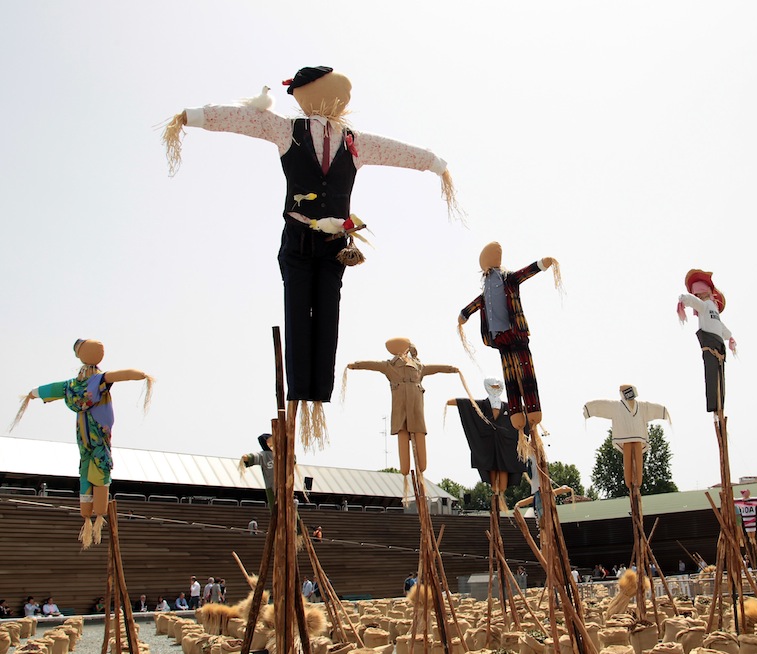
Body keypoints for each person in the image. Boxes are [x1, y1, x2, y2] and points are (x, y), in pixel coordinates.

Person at [165, 66, 455, 445]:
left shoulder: (354, 142)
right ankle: (300, 393)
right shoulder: (287, 130)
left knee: (329, 314)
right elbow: (243, 120)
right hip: (299, 237)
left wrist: (433, 163)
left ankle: (319, 395)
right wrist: (193, 117)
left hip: (336, 245)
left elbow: (396, 151)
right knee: (298, 312)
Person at [13, 339, 152, 548]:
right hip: (99, 439)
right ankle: (98, 515)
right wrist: (141, 375)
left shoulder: (71, 386)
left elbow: (51, 389)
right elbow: (121, 375)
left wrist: (32, 393)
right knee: (101, 469)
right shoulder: (99, 381)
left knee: (86, 471)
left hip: (84, 441)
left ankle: (89, 516)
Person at [458, 242, 560, 432]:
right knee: (510, 376)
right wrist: (465, 313)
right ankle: (516, 415)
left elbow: (524, 273)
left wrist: (541, 264)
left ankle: (533, 410)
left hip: (515, 332)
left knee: (525, 371)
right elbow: (478, 302)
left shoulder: (507, 279)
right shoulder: (487, 290)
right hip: (500, 339)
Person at [347, 338, 459, 488]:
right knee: (402, 433)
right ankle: (405, 470)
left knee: (419, 432)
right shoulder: (389, 366)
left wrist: (451, 369)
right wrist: (356, 365)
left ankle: (421, 468)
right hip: (400, 406)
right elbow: (372, 365)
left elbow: (436, 368)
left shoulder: (418, 366)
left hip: (416, 407)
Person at [448, 377, 524, 508]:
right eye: (492, 387)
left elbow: (522, 414)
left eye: (497, 387)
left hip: (505, 447)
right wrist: (456, 403)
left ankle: (500, 497)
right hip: (489, 447)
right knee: (492, 473)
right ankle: (496, 496)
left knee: (504, 474)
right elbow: (466, 404)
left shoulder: (509, 408)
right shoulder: (482, 406)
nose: (495, 389)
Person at [584, 384, 671, 492]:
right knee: (628, 460)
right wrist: (589, 408)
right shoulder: (617, 406)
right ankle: (629, 483)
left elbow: (652, 408)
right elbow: (603, 405)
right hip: (624, 438)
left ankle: (637, 483)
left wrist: (664, 411)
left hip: (638, 437)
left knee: (638, 460)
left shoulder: (641, 406)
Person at [677, 269, 736, 414]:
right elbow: (694, 302)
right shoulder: (706, 307)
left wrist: (730, 336)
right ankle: (716, 407)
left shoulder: (708, 307)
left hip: (716, 344)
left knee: (716, 377)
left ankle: (718, 406)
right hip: (711, 343)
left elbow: (721, 327)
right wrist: (684, 299)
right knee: (715, 376)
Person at [241, 434, 276, 510]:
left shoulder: (281, 453)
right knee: (275, 509)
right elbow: (249, 457)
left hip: (285, 485)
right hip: (271, 487)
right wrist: (247, 457)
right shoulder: (264, 455)